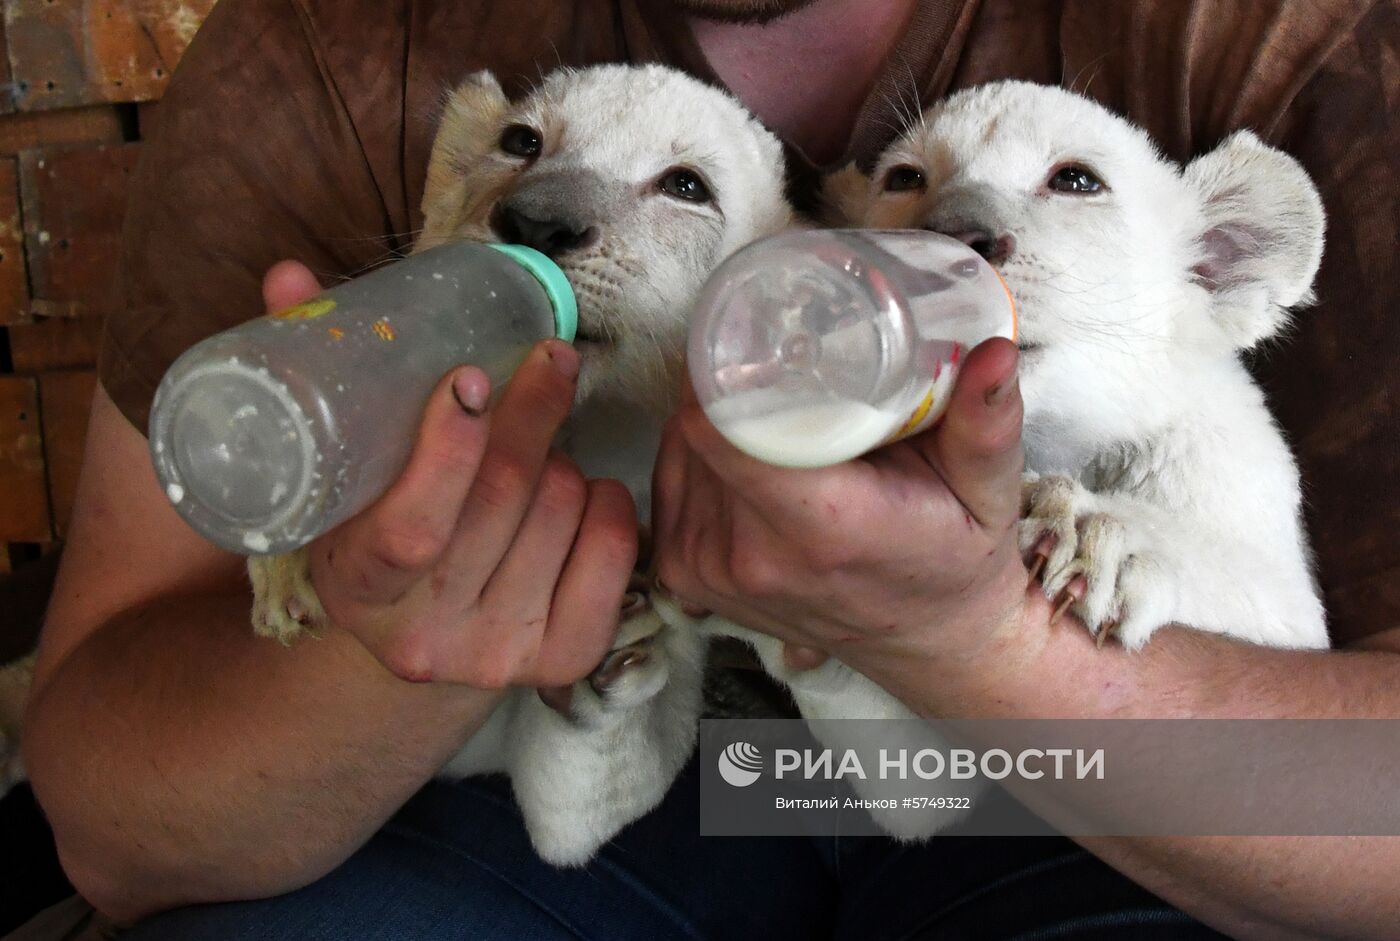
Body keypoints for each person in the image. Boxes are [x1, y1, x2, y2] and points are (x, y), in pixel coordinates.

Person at [18, 0, 1400, 937]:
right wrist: (380, 653)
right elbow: (114, 819)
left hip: (1095, 791)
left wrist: (978, 644)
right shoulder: (334, 52)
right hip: (577, 778)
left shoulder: (1291, 45)